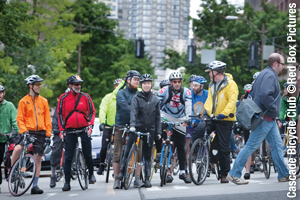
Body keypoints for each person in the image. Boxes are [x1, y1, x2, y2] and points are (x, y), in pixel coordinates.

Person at [228, 53, 300, 185]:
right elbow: (265, 94)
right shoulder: (270, 76)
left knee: (277, 146)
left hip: (268, 118)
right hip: (266, 117)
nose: (283, 67)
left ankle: (284, 174)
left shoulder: (263, 74)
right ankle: (233, 174)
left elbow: (258, 93)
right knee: (250, 146)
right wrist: (273, 108)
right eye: (282, 64)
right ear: (275, 64)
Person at [192, 61, 238, 184]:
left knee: (223, 147)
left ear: (216, 72)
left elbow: (232, 101)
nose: (209, 75)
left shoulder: (231, 84)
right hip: (212, 117)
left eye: (210, 72)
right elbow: (209, 101)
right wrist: (205, 114)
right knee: (200, 129)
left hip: (225, 119)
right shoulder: (212, 84)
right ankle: (196, 154)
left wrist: (224, 113)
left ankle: (224, 173)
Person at [116, 74, 161, 188]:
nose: (146, 85)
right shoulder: (137, 97)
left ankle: (146, 179)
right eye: (144, 83)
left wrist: (158, 132)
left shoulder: (155, 99)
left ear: (151, 85)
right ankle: (122, 171)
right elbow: (133, 112)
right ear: (142, 85)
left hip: (150, 129)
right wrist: (132, 126)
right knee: (128, 148)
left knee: (147, 154)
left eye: (148, 83)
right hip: (137, 127)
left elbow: (158, 118)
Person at [11, 75, 52, 194]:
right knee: (18, 148)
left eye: (40, 84)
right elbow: (19, 119)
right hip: (27, 130)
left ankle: (34, 185)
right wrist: (24, 131)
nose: (39, 86)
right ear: (30, 86)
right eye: (37, 84)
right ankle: (13, 172)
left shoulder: (44, 101)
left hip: (41, 133)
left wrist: (48, 135)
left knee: (38, 158)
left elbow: (48, 120)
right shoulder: (23, 101)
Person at [57, 75, 96, 191]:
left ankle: (91, 175)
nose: (78, 86)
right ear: (69, 85)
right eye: (76, 84)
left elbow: (92, 112)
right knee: (68, 157)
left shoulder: (85, 97)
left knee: (88, 154)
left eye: (79, 84)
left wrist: (91, 125)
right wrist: (61, 129)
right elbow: (59, 114)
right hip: (69, 130)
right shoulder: (63, 98)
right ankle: (67, 183)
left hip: (84, 128)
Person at [157, 71, 192, 184]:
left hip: (180, 118)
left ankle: (182, 171)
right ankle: (158, 153)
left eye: (179, 81)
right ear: (171, 82)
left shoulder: (186, 91)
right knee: (157, 132)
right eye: (175, 82)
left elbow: (188, 106)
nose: (177, 84)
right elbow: (157, 104)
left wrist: (188, 119)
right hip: (166, 116)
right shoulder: (164, 91)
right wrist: (156, 117)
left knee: (181, 145)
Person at [113, 70, 140, 189]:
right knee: (117, 153)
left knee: (139, 151)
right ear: (128, 80)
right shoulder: (121, 93)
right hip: (121, 124)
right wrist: (136, 112)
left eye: (138, 80)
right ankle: (116, 180)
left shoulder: (140, 94)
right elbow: (124, 106)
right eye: (135, 79)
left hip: (136, 125)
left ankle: (137, 179)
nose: (137, 82)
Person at [97, 78, 122, 175]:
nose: (118, 88)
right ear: (114, 87)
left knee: (120, 147)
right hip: (109, 125)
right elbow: (102, 109)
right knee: (104, 146)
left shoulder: (124, 97)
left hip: (120, 126)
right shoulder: (108, 97)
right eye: (116, 86)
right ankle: (102, 164)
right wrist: (102, 122)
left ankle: (119, 166)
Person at [0, 85, 19, 192]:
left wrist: (19, 131)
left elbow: (15, 120)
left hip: (10, 135)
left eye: (1, 92)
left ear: (4, 93)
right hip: (0, 138)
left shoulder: (9, 105)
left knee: (17, 153)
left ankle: (17, 172)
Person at [49, 88, 70, 188]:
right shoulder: (59, 106)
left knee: (72, 151)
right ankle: (53, 175)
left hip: (70, 132)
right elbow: (55, 120)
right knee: (55, 152)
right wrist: (57, 130)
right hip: (59, 132)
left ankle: (72, 169)